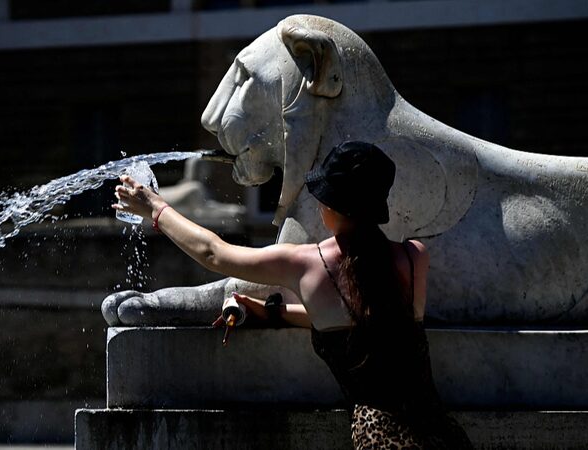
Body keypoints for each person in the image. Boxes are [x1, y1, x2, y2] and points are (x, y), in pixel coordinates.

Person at [113, 141, 472, 449]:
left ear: (331, 207)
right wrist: (275, 311)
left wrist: (155, 208)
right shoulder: (414, 257)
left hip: (379, 440)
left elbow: (214, 253)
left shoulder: (308, 263)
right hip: (442, 434)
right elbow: (372, 323)